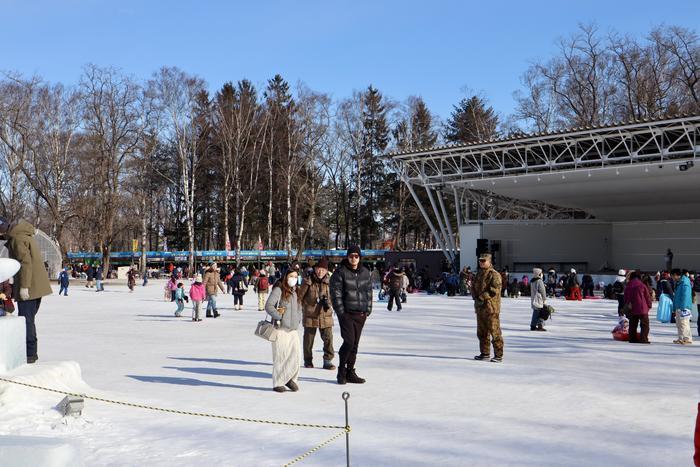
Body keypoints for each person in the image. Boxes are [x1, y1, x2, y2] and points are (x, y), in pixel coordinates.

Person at [1, 217, 53, 363]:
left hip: (30, 287)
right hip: (35, 286)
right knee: (29, 320)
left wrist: (24, 286)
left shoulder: (17, 239)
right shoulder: (23, 235)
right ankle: (31, 352)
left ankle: (29, 354)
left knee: (26, 321)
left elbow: (25, 263)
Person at [330, 245, 372, 385]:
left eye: (356, 256)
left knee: (355, 344)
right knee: (348, 342)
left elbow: (369, 292)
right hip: (347, 314)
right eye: (351, 256)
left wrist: (368, 309)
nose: (353, 258)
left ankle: (350, 371)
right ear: (347, 257)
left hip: (360, 314)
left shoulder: (365, 272)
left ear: (359, 258)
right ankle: (341, 371)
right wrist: (341, 312)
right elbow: (335, 294)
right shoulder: (340, 272)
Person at [265, 268, 302, 393]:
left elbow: (299, 307)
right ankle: (279, 382)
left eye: (296, 276)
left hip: (293, 329)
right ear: (286, 276)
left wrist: (298, 318)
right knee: (281, 356)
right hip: (280, 329)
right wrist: (279, 317)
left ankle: (290, 378)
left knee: (296, 356)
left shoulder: (295, 291)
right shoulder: (279, 289)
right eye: (291, 276)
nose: (294, 279)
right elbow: (269, 305)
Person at [298, 257, 335, 370]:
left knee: (328, 339)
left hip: (326, 315)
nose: (320, 272)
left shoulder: (330, 282)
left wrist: (328, 303)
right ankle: (308, 360)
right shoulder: (307, 281)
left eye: (323, 270)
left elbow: (335, 298)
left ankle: (328, 361)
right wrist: (302, 309)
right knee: (308, 340)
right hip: (310, 315)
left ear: (326, 271)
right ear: (315, 269)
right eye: (319, 269)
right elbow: (299, 297)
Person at [471, 253, 503, 362]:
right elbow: (473, 286)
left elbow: (494, 290)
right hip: (480, 308)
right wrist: (474, 296)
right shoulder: (478, 274)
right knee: (482, 332)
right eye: (480, 260)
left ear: (489, 262)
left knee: (495, 332)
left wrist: (481, 297)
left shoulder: (494, 275)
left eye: (484, 261)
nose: (481, 262)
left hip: (491, 309)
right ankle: (484, 353)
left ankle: (498, 355)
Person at [623, 271, 652, 344]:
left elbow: (625, 298)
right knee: (645, 325)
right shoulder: (642, 285)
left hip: (632, 308)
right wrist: (649, 305)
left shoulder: (628, 286)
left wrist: (627, 305)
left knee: (633, 324)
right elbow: (647, 296)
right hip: (643, 308)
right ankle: (644, 339)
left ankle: (632, 339)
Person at [671, 268, 693, 344]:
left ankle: (687, 338)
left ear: (676, 275)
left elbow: (686, 295)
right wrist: (675, 307)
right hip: (678, 306)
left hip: (684, 307)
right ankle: (681, 338)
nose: (672, 278)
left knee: (684, 322)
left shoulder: (685, 282)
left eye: (672, 276)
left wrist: (683, 307)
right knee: (679, 323)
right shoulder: (679, 283)